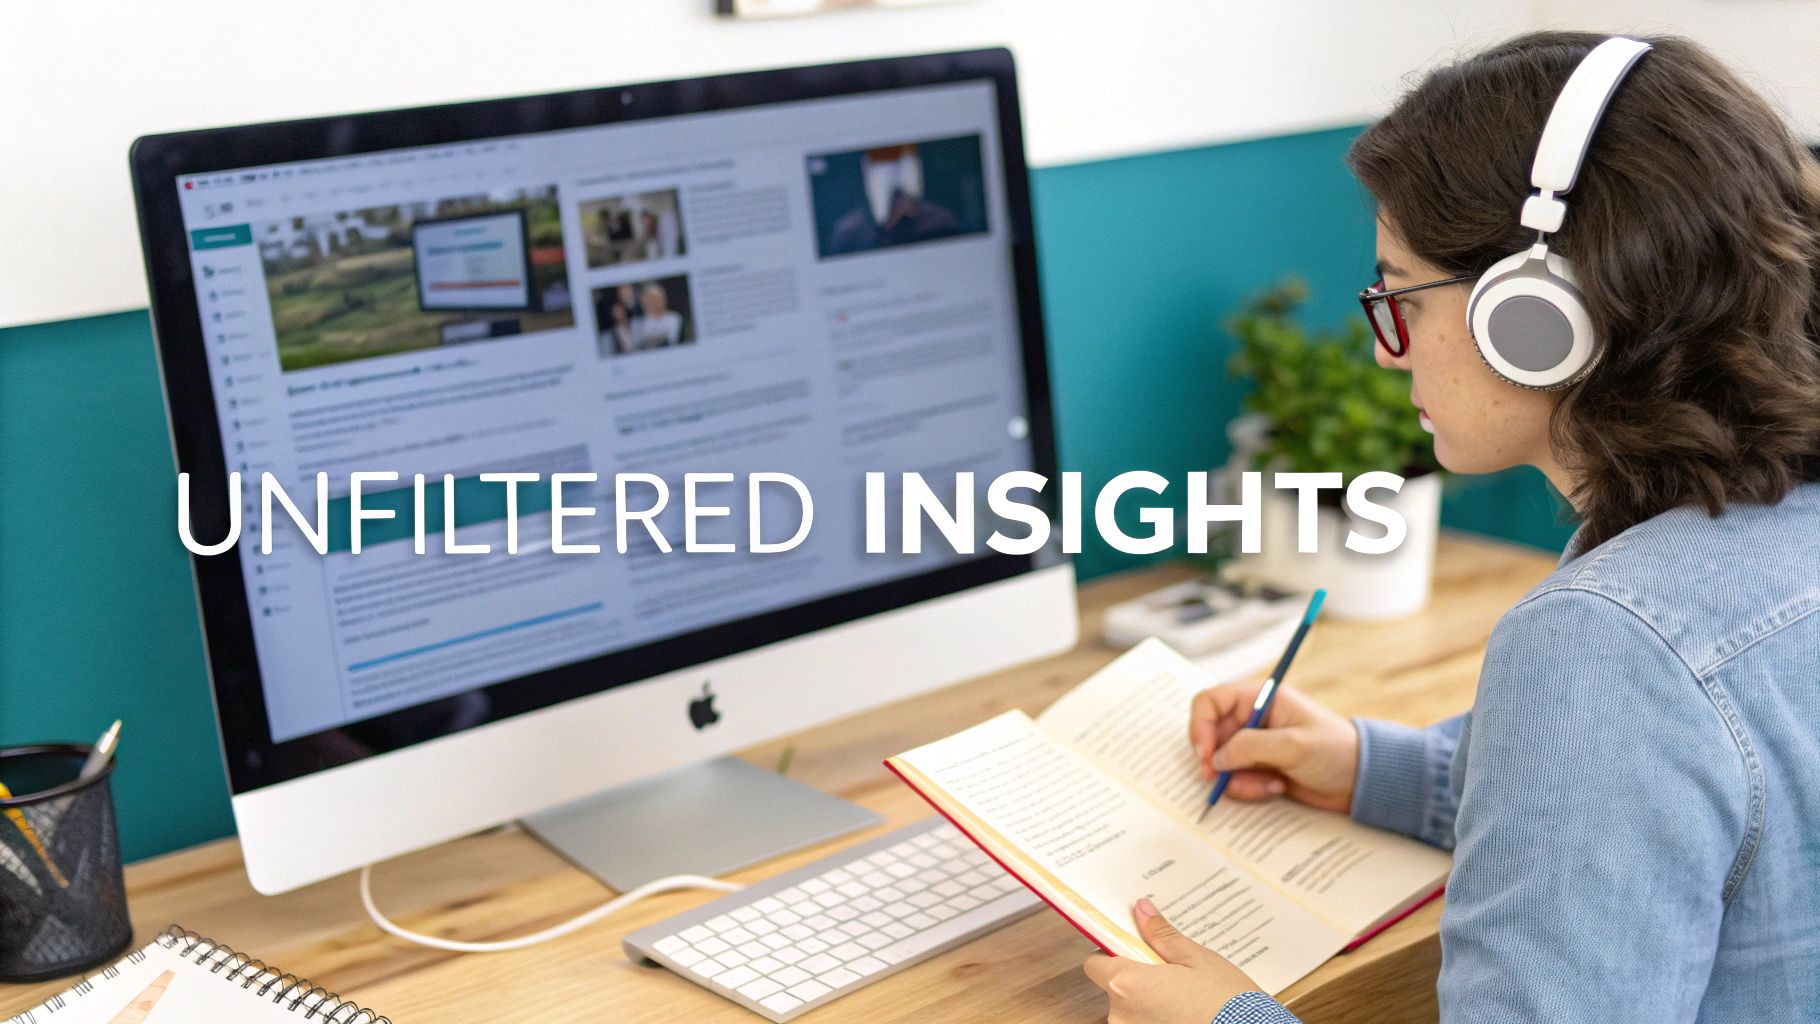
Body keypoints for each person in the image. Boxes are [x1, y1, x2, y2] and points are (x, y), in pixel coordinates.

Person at [1080, 31, 1820, 1024]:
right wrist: (1371, 767)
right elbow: (1684, 815)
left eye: (1399, 294)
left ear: (1536, 312)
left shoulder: (1608, 641)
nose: (1388, 353)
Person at [613, 282, 687, 353]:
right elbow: (636, 348)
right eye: (647, 300)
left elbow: (673, 342)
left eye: (654, 299)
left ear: (663, 300)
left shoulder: (674, 318)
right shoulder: (637, 323)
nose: (651, 303)